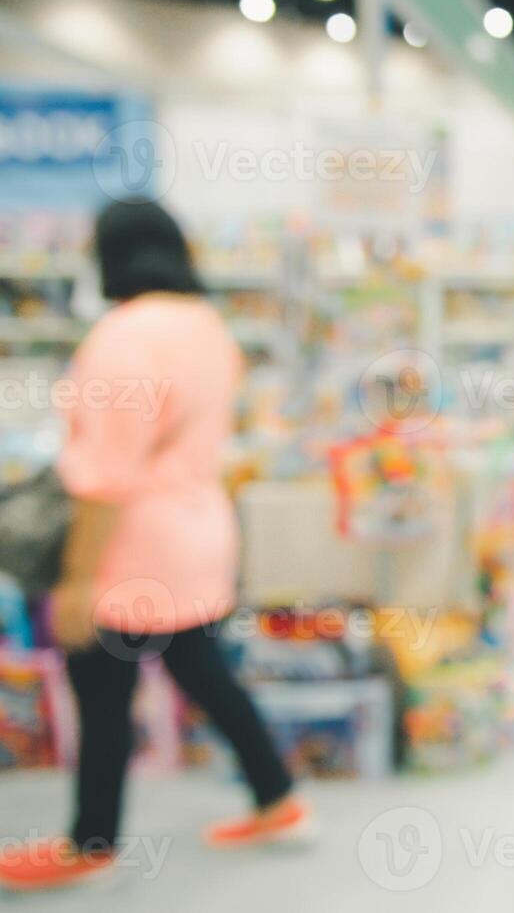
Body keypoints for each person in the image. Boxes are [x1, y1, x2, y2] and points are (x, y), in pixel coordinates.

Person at [0, 200, 310, 895]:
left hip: (130, 551)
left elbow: (106, 475)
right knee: (205, 674)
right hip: (198, 534)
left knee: (103, 689)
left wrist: (78, 582)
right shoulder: (207, 326)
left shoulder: (123, 338)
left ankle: (91, 841)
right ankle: (277, 797)